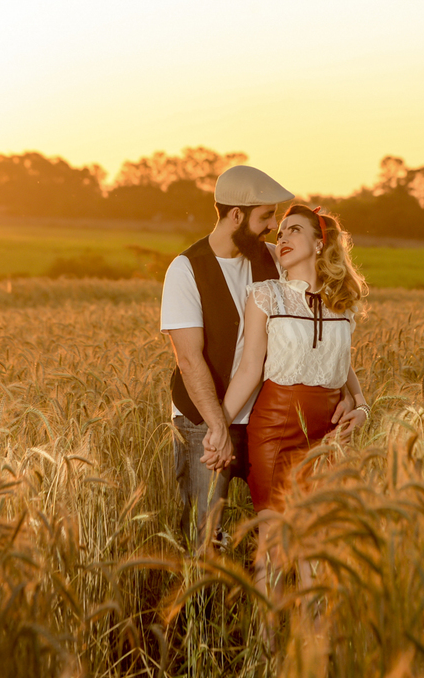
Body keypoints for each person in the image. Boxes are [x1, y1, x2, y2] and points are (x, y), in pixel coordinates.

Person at [162, 166, 361, 550]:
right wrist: (217, 427)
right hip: (203, 420)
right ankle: (201, 610)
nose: (275, 226)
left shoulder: (274, 258)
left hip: (267, 420)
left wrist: (349, 394)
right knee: (204, 536)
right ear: (236, 215)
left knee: (280, 529)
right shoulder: (186, 270)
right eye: (266, 216)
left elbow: (322, 326)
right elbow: (189, 360)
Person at [214, 203, 369, 599]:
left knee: (315, 540)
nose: (282, 239)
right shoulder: (267, 296)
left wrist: (362, 405)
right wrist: (219, 426)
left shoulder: (343, 304)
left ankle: (312, 645)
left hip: (327, 435)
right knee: (275, 537)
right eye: (280, 232)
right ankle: (265, 649)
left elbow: (341, 364)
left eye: (294, 231)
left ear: (320, 244)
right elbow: (250, 369)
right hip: (277, 429)